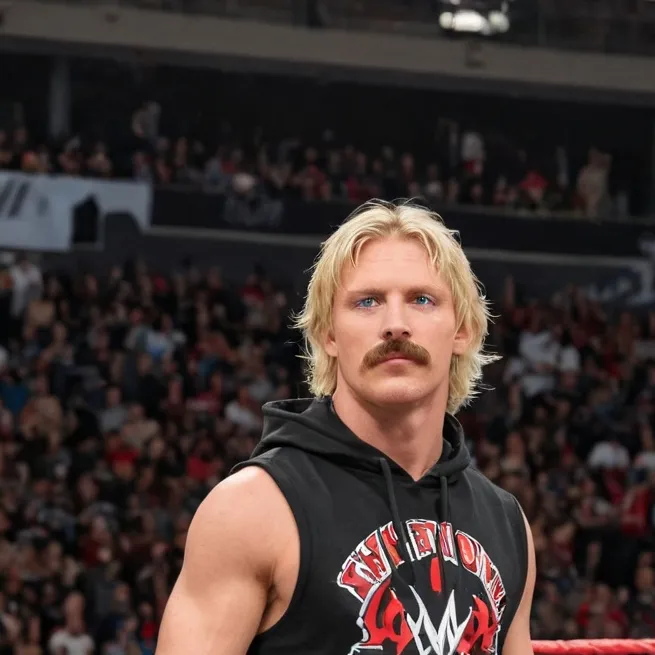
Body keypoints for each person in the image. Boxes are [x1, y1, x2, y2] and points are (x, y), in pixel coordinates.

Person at [156, 200, 536, 655]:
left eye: (422, 300)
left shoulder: (506, 523)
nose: (395, 325)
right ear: (329, 335)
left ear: (463, 331)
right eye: (367, 302)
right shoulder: (252, 510)